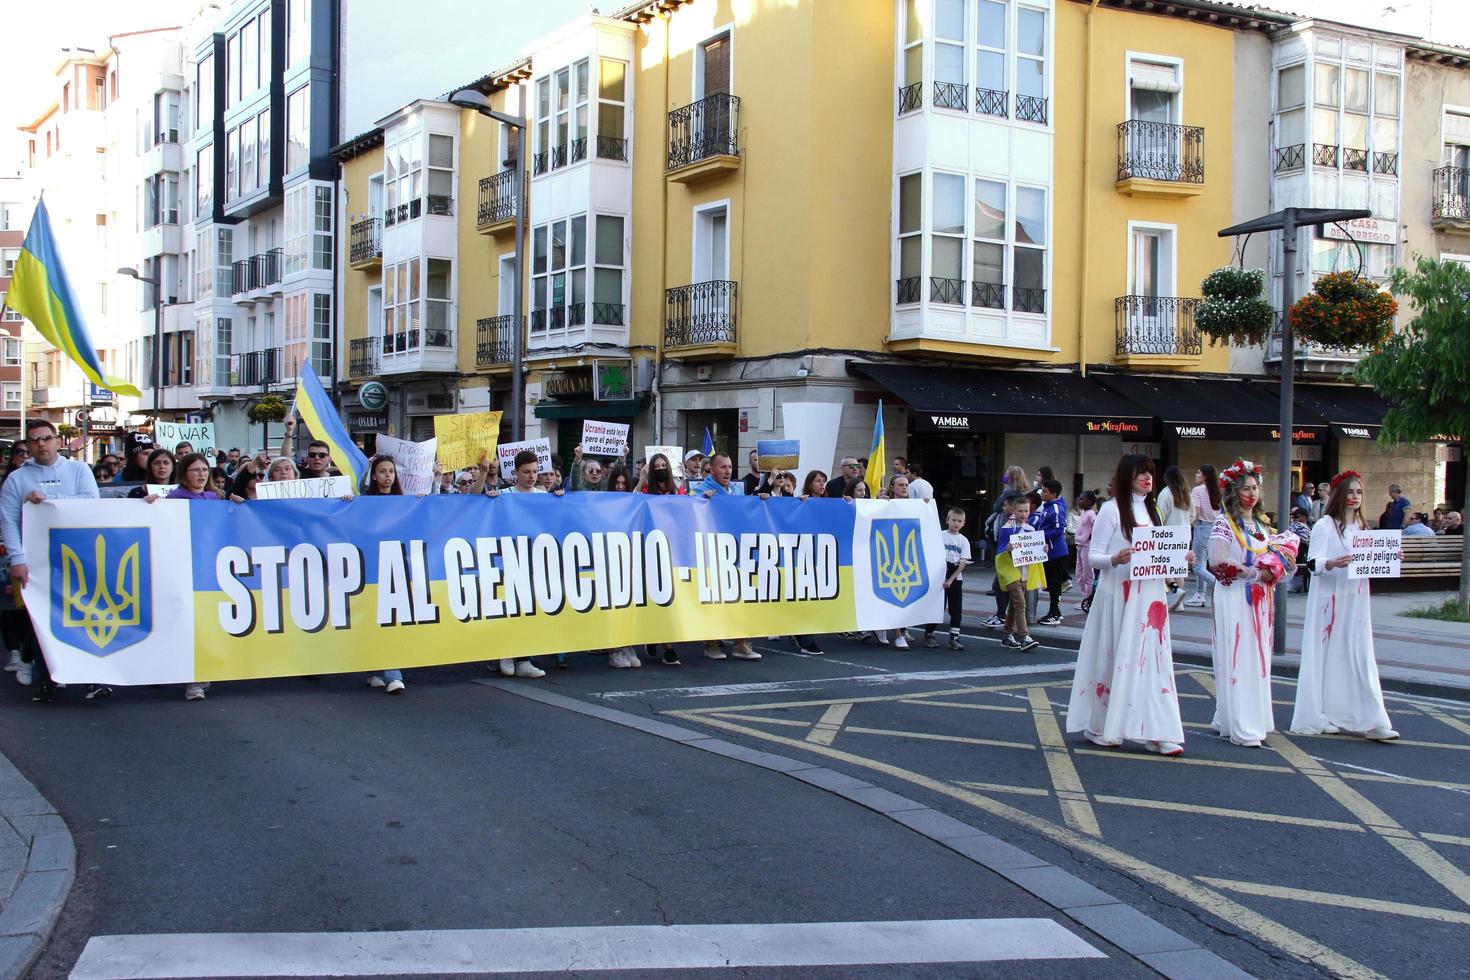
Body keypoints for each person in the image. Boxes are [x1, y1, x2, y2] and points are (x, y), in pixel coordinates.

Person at [1066, 454, 1188, 756]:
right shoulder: (1110, 510)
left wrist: (1179, 559)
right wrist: (1115, 559)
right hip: (1118, 593)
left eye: (1149, 473)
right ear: (1126, 477)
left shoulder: (1154, 510)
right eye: (1139, 474)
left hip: (1149, 596)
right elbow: (1092, 556)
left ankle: (1156, 730)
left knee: (1153, 663)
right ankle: (1102, 724)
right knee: (1115, 657)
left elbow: (1159, 553)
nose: (1147, 479)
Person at [0, 419, 108, 703]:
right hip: (37, 560)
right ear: (28, 445)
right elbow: (9, 521)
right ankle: (48, 679)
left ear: (58, 440)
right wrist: (17, 559)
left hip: (78, 556)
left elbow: (90, 502)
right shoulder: (17, 479)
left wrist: (48, 499)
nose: (41, 444)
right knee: (41, 622)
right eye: (35, 440)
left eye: (46, 438)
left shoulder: (78, 469)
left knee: (85, 615)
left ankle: (92, 679)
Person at [1291, 472, 1398, 740]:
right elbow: (1312, 563)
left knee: (1360, 653)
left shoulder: (1361, 527)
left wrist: (1389, 555)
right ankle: (1323, 713)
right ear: (1339, 495)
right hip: (1329, 601)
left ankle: (1372, 718)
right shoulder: (1325, 525)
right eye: (1350, 492)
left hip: (1356, 600)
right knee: (1327, 655)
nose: (1354, 497)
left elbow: (1370, 560)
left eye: (1359, 493)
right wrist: (1332, 562)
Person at [1207, 460, 1295, 748]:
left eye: (1255, 487)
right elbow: (1218, 563)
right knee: (1237, 655)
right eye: (1245, 488)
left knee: (1256, 658)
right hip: (1234, 595)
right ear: (1234, 491)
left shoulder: (1262, 524)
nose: (1252, 493)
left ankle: (1249, 717)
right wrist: (1256, 572)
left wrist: (1283, 564)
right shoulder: (1224, 523)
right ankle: (1240, 722)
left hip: (1259, 599)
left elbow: (1273, 558)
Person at [489, 449, 556, 678]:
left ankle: (524, 658)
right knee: (510, 608)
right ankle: (506, 652)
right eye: (526, 472)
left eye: (535, 471)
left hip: (534, 560)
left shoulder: (542, 496)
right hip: (509, 558)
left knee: (529, 609)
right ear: (516, 472)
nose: (532, 476)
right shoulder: (505, 494)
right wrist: (490, 499)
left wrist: (561, 499)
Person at [691, 452, 760, 661]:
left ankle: (741, 643)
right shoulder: (701, 490)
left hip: (736, 554)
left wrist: (762, 498)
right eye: (722, 467)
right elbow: (689, 508)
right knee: (714, 600)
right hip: (712, 554)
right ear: (711, 470)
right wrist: (702, 500)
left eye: (729, 467)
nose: (728, 471)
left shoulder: (736, 491)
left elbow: (747, 512)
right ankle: (711, 643)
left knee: (741, 599)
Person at [359, 455, 408, 694]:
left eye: (391, 471)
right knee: (376, 619)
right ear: (374, 475)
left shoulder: (404, 501)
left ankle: (389, 672)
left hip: (396, 567)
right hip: (372, 569)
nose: (388, 475)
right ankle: (378, 670)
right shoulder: (365, 501)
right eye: (382, 471)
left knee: (391, 621)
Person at [995, 494, 1042, 651]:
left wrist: (1043, 549)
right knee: (1021, 603)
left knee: (1015, 606)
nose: (1023, 514)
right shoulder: (1007, 528)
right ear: (1014, 511)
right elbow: (1000, 549)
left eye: (1026, 511)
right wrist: (1007, 549)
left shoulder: (1030, 529)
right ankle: (1024, 637)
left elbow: (1033, 550)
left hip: (1023, 570)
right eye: (1020, 511)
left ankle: (1007, 635)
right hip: (1009, 570)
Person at [923, 506, 970, 650]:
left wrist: (950, 580)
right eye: (953, 520)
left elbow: (963, 563)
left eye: (959, 521)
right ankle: (929, 633)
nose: (956, 523)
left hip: (955, 576)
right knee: (937, 606)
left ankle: (954, 637)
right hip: (939, 574)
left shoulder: (963, 541)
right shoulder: (940, 535)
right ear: (947, 520)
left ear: (963, 523)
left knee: (956, 609)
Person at [1034, 479, 1070, 626]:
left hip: (1055, 551)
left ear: (1053, 493)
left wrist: (1040, 536)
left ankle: (1055, 612)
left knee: (1054, 583)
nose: (1042, 493)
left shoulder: (1055, 507)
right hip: (1049, 550)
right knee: (1052, 582)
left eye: (1045, 491)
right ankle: (1054, 611)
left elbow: (1058, 528)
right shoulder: (1048, 507)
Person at [1184, 465, 1221, 608]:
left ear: (1205, 476)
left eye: (1198, 472)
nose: (1196, 474)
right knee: (1203, 563)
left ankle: (1219, 588)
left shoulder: (1197, 490)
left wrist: (1188, 522)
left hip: (1202, 527)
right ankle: (1199, 594)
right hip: (1215, 528)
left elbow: (1197, 512)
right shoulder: (1216, 491)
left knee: (1197, 565)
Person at [1156, 466, 1193, 610]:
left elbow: (1160, 515)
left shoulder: (1165, 493)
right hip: (1184, 533)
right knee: (1179, 568)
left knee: (1162, 565)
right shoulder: (1186, 494)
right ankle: (1179, 603)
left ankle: (1176, 591)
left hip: (1168, 533)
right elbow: (1193, 515)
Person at [1073, 492, 1098, 612]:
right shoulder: (1083, 512)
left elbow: (1097, 524)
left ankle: (1088, 597)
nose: (1079, 500)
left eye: (1082, 499)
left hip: (1087, 546)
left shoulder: (1091, 514)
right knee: (1079, 573)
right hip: (1079, 545)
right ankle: (1085, 596)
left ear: (1089, 502)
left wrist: (1091, 537)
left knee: (1087, 574)